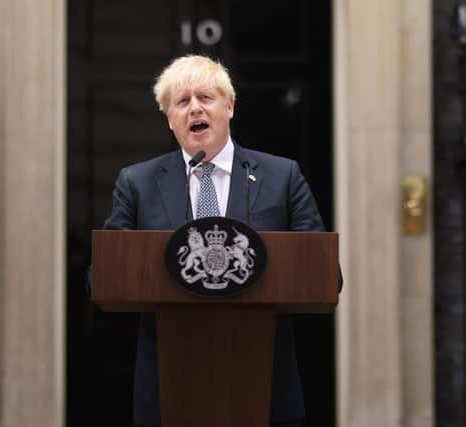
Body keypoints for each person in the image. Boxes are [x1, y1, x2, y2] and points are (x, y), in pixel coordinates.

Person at [102, 55, 333, 427]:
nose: (195, 107)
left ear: (229, 106)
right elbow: (104, 274)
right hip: (170, 384)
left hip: (263, 382)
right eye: (182, 101)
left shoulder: (281, 176)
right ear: (170, 119)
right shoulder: (137, 183)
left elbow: (322, 273)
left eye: (206, 97)